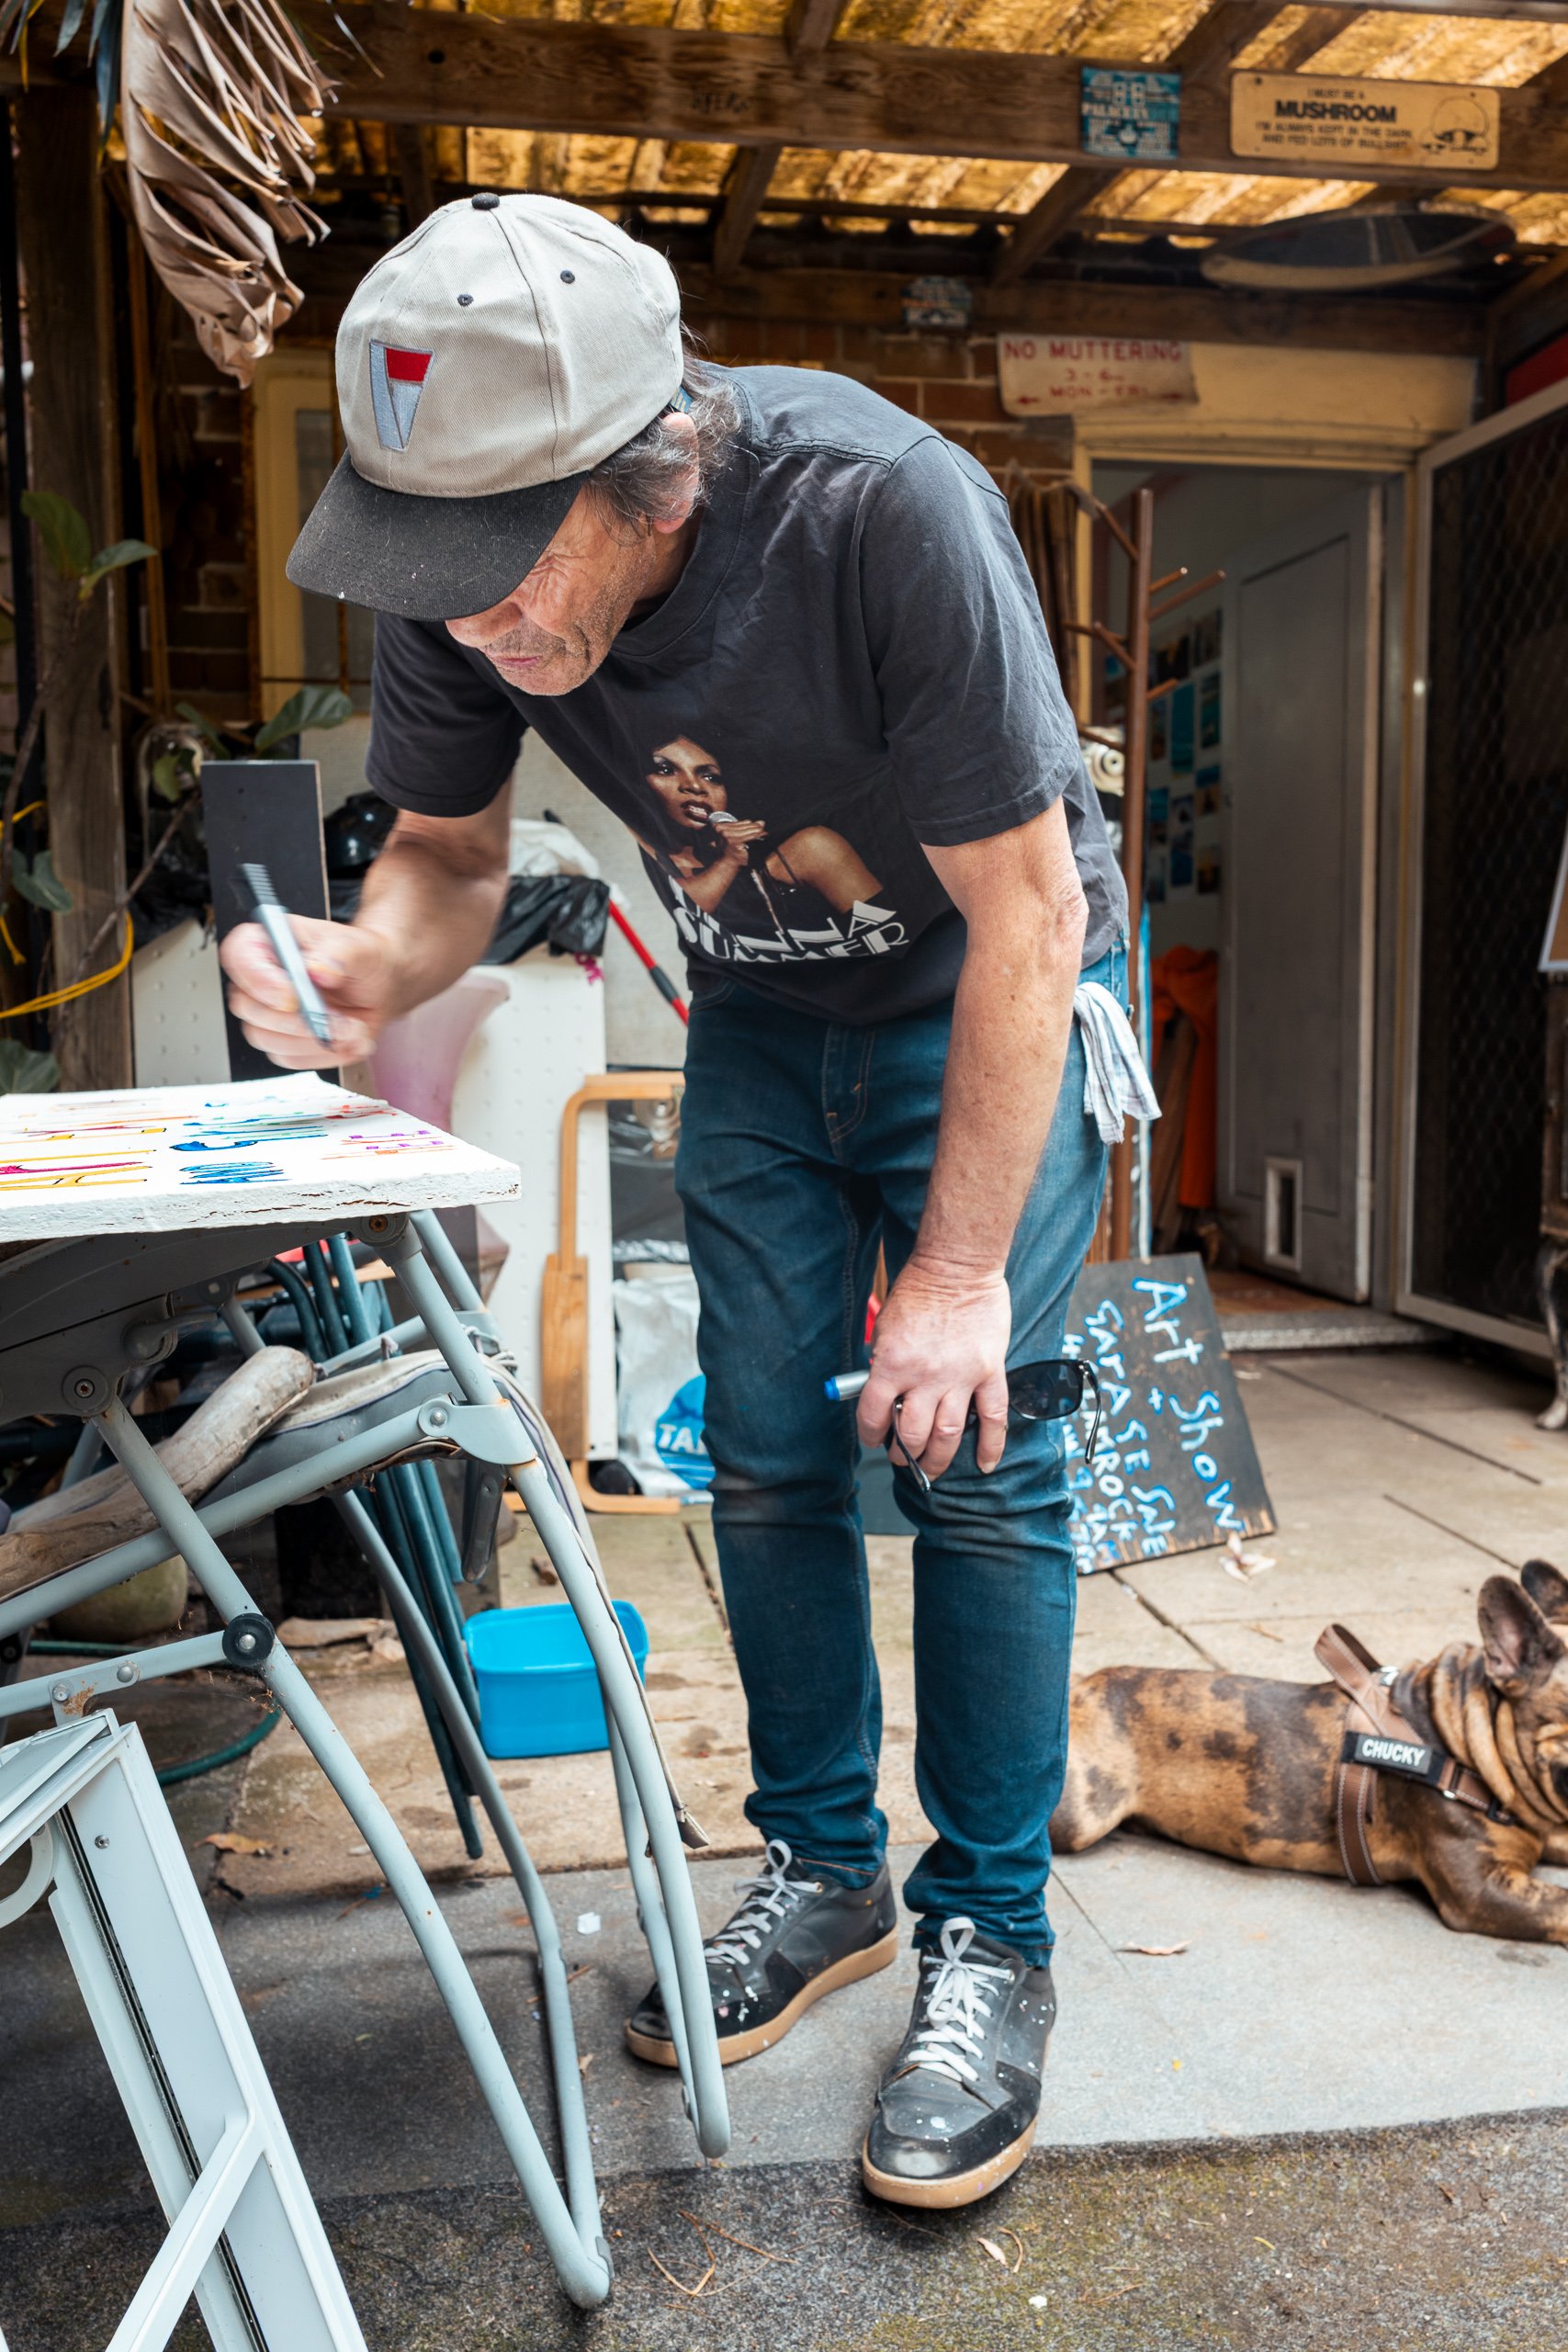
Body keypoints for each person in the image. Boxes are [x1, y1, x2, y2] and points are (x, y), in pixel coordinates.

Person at [222, 191, 1132, 2210]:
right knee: (763, 1450)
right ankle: (819, 1870)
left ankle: (988, 1926)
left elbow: (1027, 904)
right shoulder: (464, 566)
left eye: (503, 565)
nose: (471, 618)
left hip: (988, 985)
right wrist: (368, 967)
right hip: (757, 1010)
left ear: (651, 474)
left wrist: (961, 1272)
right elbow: (451, 851)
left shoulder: (882, 509)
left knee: (977, 1450)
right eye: (429, 573)